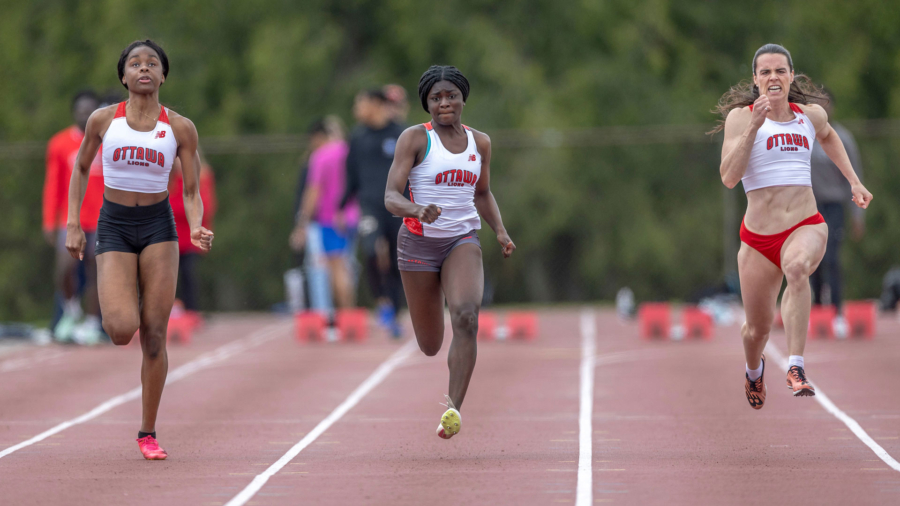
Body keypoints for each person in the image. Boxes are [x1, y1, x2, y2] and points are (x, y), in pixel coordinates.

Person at [66, 40, 213, 459]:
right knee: (120, 330)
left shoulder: (180, 128)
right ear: (124, 76)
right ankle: (123, 290)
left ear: (163, 75)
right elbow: (79, 169)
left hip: (158, 228)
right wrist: (75, 223)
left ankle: (147, 433)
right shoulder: (102, 120)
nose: (144, 68)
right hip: (113, 224)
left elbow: (190, 190)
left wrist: (198, 224)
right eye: (135, 63)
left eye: (152, 63)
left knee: (153, 335)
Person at [714, 44, 872, 409]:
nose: (773, 77)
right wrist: (754, 125)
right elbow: (728, 177)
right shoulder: (740, 118)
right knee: (757, 330)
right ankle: (754, 373)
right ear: (756, 80)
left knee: (798, 268)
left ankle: (796, 366)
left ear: (790, 76)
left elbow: (830, 136)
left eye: (779, 71)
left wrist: (854, 182)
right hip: (757, 239)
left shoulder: (809, 116)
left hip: (805, 224)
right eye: (765, 72)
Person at [384, 65, 515, 439]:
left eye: (451, 96)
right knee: (430, 345)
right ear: (427, 103)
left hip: (462, 239)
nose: (445, 103)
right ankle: (436, 349)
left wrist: (501, 232)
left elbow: (482, 193)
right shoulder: (414, 139)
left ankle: (452, 410)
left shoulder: (481, 143)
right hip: (418, 244)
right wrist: (416, 209)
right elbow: (390, 196)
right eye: (436, 98)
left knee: (467, 317)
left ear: (462, 99)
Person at [339, 89, 406, 337]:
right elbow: (351, 177)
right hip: (369, 206)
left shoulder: (401, 133)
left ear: (376, 104)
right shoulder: (357, 137)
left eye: (360, 104)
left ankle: (395, 312)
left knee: (398, 259)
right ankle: (382, 302)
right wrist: (341, 206)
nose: (356, 110)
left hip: (399, 205)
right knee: (370, 250)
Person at [43, 90, 104, 344]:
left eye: (90, 110)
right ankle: (70, 311)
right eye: (80, 111)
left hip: (102, 217)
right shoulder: (59, 143)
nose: (85, 115)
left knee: (94, 267)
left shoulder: (108, 141)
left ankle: (92, 322)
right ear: (73, 113)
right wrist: (49, 221)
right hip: (71, 219)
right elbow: (53, 184)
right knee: (65, 268)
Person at [809, 90, 864, 336]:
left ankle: (837, 312)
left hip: (833, 207)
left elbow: (854, 177)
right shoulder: (803, 137)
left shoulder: (842, 138)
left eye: (825, 104)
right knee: (811, 262)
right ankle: (818, 312)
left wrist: (857, 215)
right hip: (809, 207)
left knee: (831, 258)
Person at [290, 117, 358, 314]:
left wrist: (302, 221)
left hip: (330, 218)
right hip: (352, 216)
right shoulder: (349, 151)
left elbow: (313, 191)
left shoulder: (320, 156)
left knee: (335, 268)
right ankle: (349, 311)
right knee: (346, 267)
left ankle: (345, 314)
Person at [168, 149, 217, 313]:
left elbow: (206, 206)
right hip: (170, 235)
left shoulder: (202, 176)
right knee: (166, 276)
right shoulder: (169, 178)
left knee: (189, 273)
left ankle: (192, 311)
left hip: (192, 236)